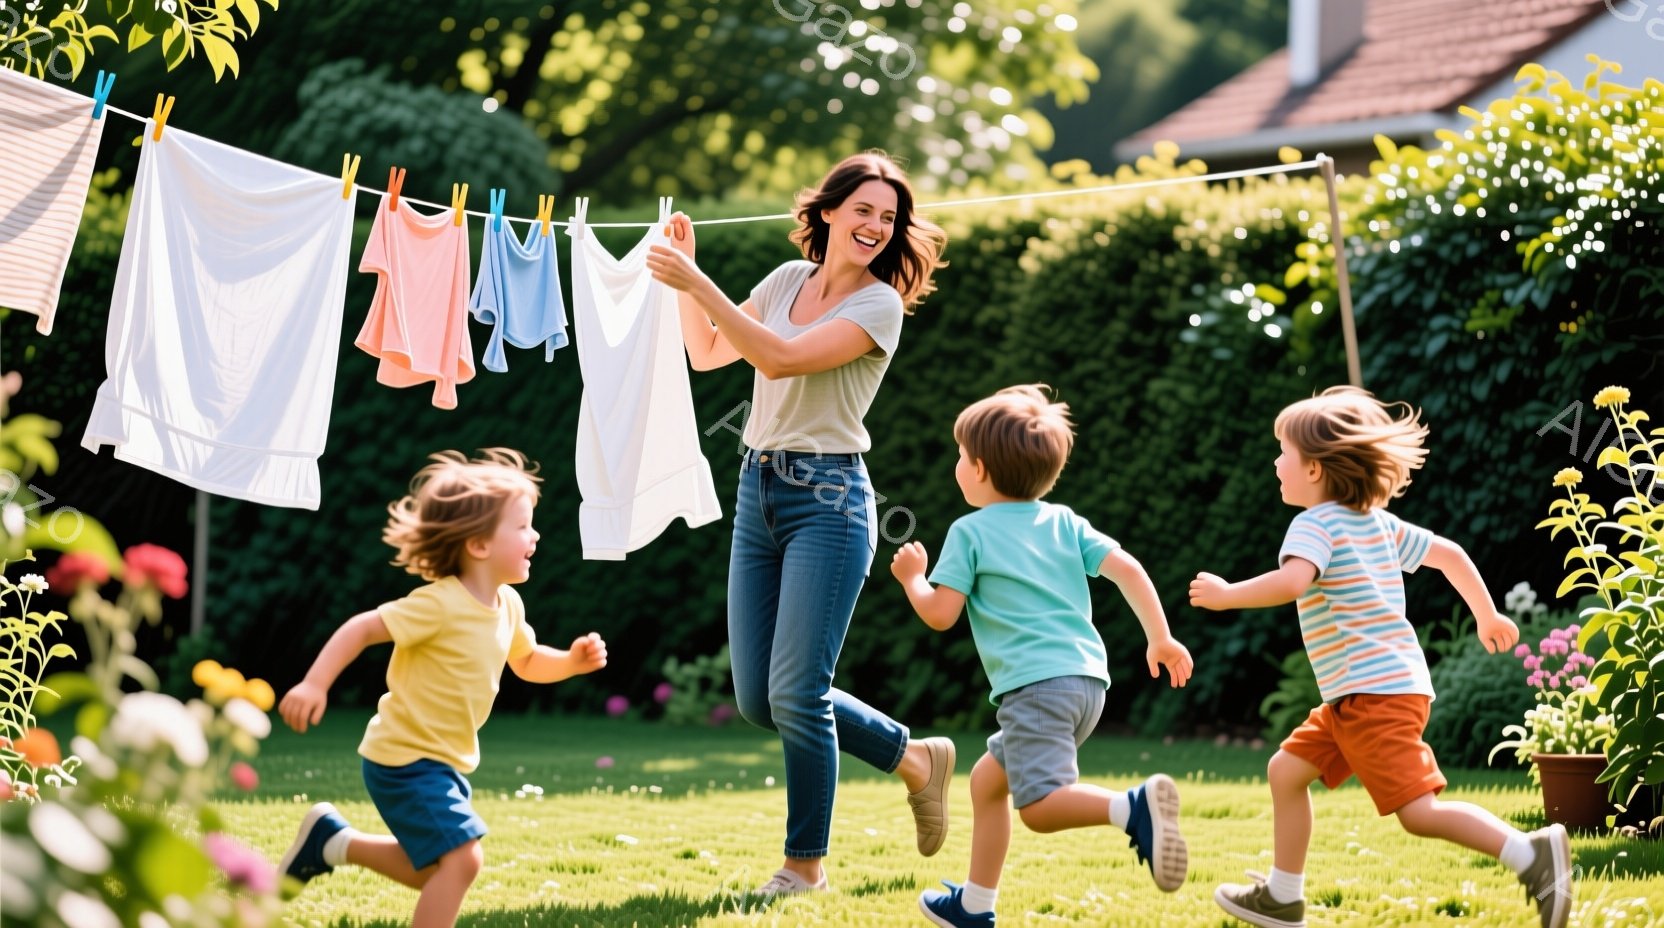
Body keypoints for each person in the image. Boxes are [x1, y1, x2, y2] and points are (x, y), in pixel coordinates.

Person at [645, 151, 955, 896]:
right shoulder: (787, 281)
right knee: (761, 699)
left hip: (832, 501)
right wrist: (690, 273)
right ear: (827, 213)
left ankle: (803, 868)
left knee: (798, 690)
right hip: (759, 488)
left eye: (888, 217)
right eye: (863, 211)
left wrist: (697, 281)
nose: (876, 227)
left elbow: (780, 362)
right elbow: (710, 350)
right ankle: (914, 759)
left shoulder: (877, 306)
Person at [1188, 386, 1573, 928]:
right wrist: (1486, 615)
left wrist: (1228, 594)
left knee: (1419, 813)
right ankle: (1283, 894)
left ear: (1316, 469)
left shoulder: (1315, 525)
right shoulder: (1377, 521)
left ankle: (1528, 854)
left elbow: (1294, 581)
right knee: (1285, 772)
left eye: (1283, 453)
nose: (1276, 463)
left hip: (1372, 695)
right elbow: (1450, 554)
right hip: (1373, 691)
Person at [890, 385, 1195, 927]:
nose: (956, 465)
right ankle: (975, 905)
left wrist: (913, 579)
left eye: (960, 456)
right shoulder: (1064, 521)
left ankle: (1132, 808)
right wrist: (1161, 637)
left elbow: (941, 614)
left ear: (979, 469)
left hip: (1035, 689)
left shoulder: (969, 532)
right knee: (988, 782)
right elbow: (1127, 567)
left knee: (1039, 809)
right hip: (1085, 684)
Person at [275, 449, 609, 928]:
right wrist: (314, 683)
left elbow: (529, 661)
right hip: (404, 759)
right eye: (521, 526)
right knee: (463, 860)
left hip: (443, 761)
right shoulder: (438, 604)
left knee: (434, 868)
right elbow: (362, 629)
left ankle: (331, 843)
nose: (534, 535)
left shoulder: (508, 605)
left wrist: (572, 662)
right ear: (478, 544)